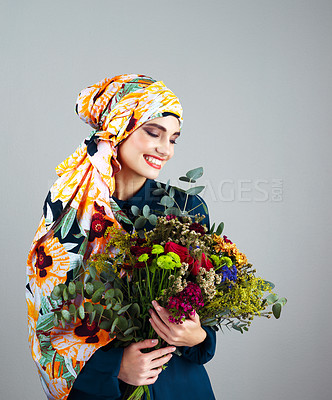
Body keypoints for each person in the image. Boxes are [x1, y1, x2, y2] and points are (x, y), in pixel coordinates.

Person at [26, 74, 216, 400]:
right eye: (154, 133)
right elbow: (50, 311)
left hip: (181, 386)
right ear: (120, 128)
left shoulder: (187, 208)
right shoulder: (73, 205)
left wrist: (198, 337)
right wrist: (113, 366)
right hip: (106, 389)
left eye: (173, 139)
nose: (165, 149)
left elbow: (205, 307)